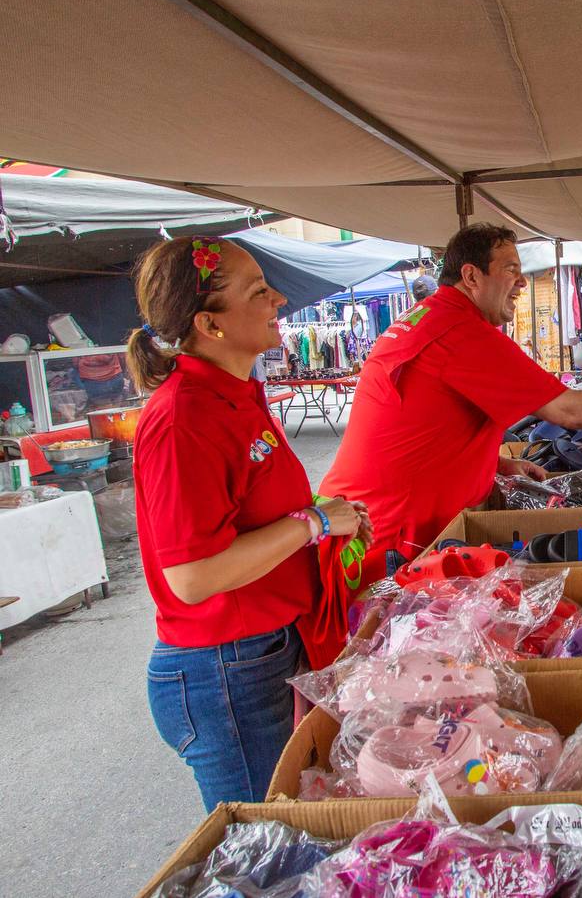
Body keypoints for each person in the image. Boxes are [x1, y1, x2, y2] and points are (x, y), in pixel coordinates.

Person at [127, 236, 372, 811]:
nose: (279, 300)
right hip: (225, 671)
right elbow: (192, 575)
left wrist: (330, 519)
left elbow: (253, 510)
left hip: (260, 653)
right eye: (258, 291)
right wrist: (313, 524)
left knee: (285, 829)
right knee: (262, 848)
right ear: (210, 324)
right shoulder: (184, 416)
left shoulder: (235, 395)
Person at [321, 223, 582, 573]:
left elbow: (425, 422)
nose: (522, 282)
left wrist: (495, 465)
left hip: (369, 517)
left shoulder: (428, 318)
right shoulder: (460, 332)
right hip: (390, 535)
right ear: (471, 276)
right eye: (511, 269)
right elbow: (567, 409)